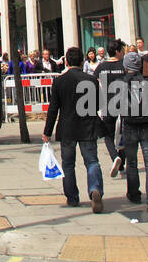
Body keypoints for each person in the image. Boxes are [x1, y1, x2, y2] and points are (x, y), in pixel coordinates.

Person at [42, 47, 104, 212]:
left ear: (67, 61)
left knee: (68, 164)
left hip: (67, 127)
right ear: (82, 61)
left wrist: (47, 131)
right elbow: (99, 104)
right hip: (88, 126)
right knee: (92, 161)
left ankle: (72, 197)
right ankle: (95, 189)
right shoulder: (91, 80)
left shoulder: (60, 81)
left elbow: (53, 108)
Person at [118, 52, 148, 213]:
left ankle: (134, 193)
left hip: (129, 125)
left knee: (131, 162)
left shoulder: (121, 83)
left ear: (126, 66)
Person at [93, 39, 126, 176]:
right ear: (117, 51)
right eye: (123, 50)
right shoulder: (124, 66)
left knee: (108, 135)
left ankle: (115, 157)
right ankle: (122, 163)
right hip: (124, 104)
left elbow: (96, 84)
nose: (124, 53)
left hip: (107, 103)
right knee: (123, 134)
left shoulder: (101, 67)